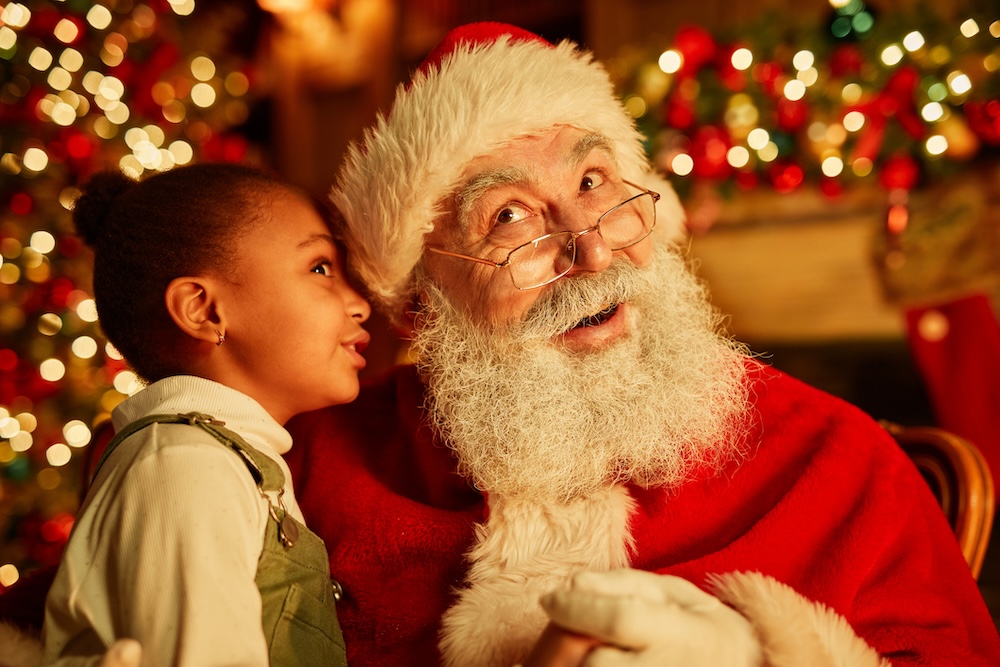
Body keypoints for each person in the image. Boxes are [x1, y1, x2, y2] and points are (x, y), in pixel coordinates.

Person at [281, 21, 1000, 666]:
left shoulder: (835, 457)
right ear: (418, 304)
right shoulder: (315, 465)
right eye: (509, 216)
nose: (591, 251)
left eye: (594, 181)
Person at [5, 163, 371, 667]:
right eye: (320, 268)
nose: (359, 305)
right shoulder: (185, 466)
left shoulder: (232, 462)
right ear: (202, 311)